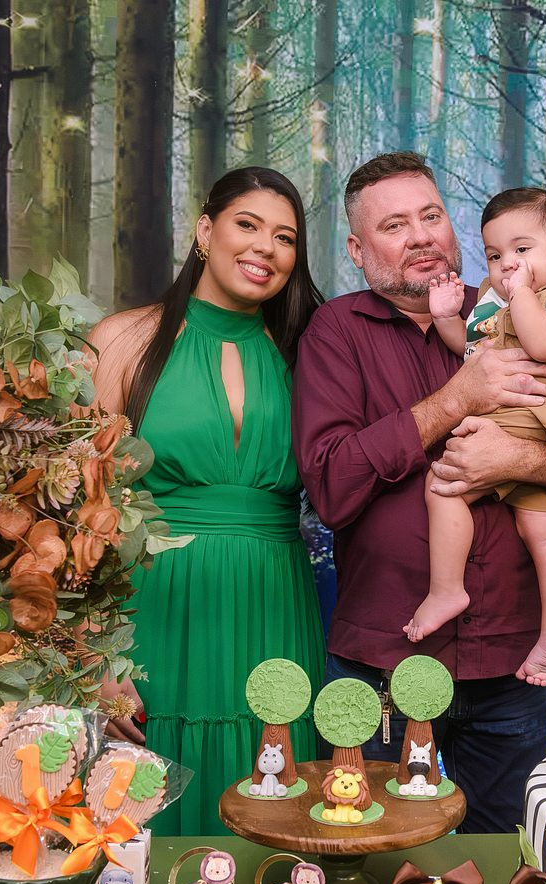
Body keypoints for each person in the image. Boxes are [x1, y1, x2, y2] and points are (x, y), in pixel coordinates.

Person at [291, 152, 546, 833]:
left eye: (431, 216)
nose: (421, 236)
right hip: (386, 658)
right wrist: (455, 400)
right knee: (379, 846)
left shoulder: (516, 310)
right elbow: (331, 483)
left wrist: (519, 458)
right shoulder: (337, 332)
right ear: (358, 251)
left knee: (513, 853)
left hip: (512, 665)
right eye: (394, 225)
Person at [87, 167, 325, 835]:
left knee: (273, 799)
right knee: (150, 807)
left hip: (275, 604)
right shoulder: (123, 341)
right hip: (154, 608)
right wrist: (96, 655)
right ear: (204, 230)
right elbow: (76, 507)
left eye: (285, 237)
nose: (265, 247)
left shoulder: (308, 354)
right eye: (246, 224)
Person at [405, 188, 546, 688]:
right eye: (495, 255)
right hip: (511, 420)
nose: (507, 265)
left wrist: (521, 294)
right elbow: (472, 352)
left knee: (443, 485)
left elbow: (544, 344)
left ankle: (447, 589)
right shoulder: (493, 298)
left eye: (522, 250)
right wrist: (446, 318)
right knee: (543, 534)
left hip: (535, 421)